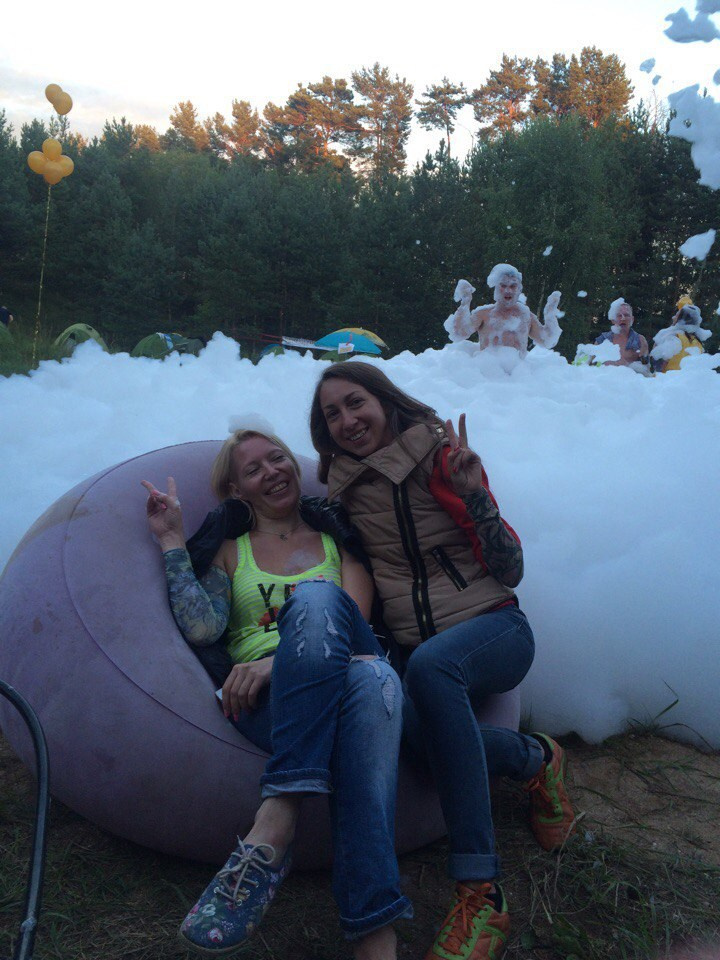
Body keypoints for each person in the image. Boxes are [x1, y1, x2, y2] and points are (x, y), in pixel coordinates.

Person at [310, 363, 576, 960]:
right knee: (415, 740)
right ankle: (535, 758)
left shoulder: (442, 459)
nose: (348, 420)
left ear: (384, 401)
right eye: (332, 414)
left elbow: (511, 570)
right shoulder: (341, 493)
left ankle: (482, 892)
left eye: (356, 402)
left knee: (432, 668)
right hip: (418, 652)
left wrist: (475, 494)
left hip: (495, 629)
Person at [142, 429, 411, 960]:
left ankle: (276, 820)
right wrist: (171, 540)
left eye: (278, 458)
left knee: (323, 606)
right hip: (267, 706)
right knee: (369, 684)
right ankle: (376, 934)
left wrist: (274, 662)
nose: (272, 471)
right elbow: (201, 628)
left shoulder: (338, 542)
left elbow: (354, 631)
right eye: (254, 469)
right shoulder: (230, 551)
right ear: (236, 490)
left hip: (325, 667)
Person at [444, 264, 562, 357]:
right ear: (496, 287)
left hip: (517, 375)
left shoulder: (526, 316)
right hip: (489, 374)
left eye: (513, 286)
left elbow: (547, 341)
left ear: (519, 289)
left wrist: (550, 314)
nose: (508, 291)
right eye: (503, 285)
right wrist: (465, 301)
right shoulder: (484, 314)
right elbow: (458, 334)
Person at [650, 301, 711, 372]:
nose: (673, 317)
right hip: (686, 378)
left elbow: (658, 364)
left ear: (681, 319)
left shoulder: (674, 336)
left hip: (669, 377)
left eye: (677, 315)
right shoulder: (698, 342)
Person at [592, 298, 649, 369]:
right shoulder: (603, 339)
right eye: (619, 315)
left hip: (629, 375)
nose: (623, 318)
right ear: (613, 320)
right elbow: (590, 364)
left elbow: (646, 370)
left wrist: (644, 355)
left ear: (632, 319)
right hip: (604, 375)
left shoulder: (639, 340)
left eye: (626, 315)